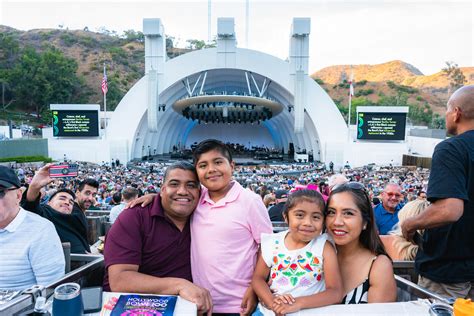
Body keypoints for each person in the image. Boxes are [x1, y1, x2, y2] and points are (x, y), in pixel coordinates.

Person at [103, 162, 212, 314]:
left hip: (189, 307)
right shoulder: (134, 217)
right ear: (162, 190)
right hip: (132, 306)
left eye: (191, 185)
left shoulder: (206, 215)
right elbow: (120, 280)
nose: (182, 191)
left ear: (200, 193)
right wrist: (180, 286)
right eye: (174, 184)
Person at [402, 85, 474, 300]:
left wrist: (410, 224)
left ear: (457, 113)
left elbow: (449, 210)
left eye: (447, 109)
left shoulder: (451, 148)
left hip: (449, 272)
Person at [191, 139, 273, 315]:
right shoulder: (194, 200)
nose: (211, 169)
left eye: (218, 162)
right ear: (196, 172)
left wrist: (254, 287)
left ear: (232, 166)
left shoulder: (250, 201)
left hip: (240, 303)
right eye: (203, 165)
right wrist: (153, 197)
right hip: (201, 303)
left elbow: (268, 248)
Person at [252, 190, 343, 315]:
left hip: (309, 312)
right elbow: (258, 279)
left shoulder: (324, 247)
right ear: (286, 217)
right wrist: (272, 303)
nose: (307, 223)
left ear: (323, 221)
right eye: (300, 215)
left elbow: (335, 293)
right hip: (268, 311)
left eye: (316, 217)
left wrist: (298, 303)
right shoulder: (272, 242)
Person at [326, 182, 397, 304]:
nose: (337, 222)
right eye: (331, 212)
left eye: (348, 213)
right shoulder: (310, 254)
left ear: (365, 222)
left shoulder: (379, 266)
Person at [0, 166, 65, 290]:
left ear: (18, 196)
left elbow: (49, 291)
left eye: (0, 192)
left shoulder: (40, 231)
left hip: (22, 308)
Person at [20, 164, 90, 254]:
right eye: (62, 198)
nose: (67, 202)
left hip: (88, 262)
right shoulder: (44, 213)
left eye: (71, 202)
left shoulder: (76, 217)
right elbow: (30, 204)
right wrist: (34, 186)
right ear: (49, 202)